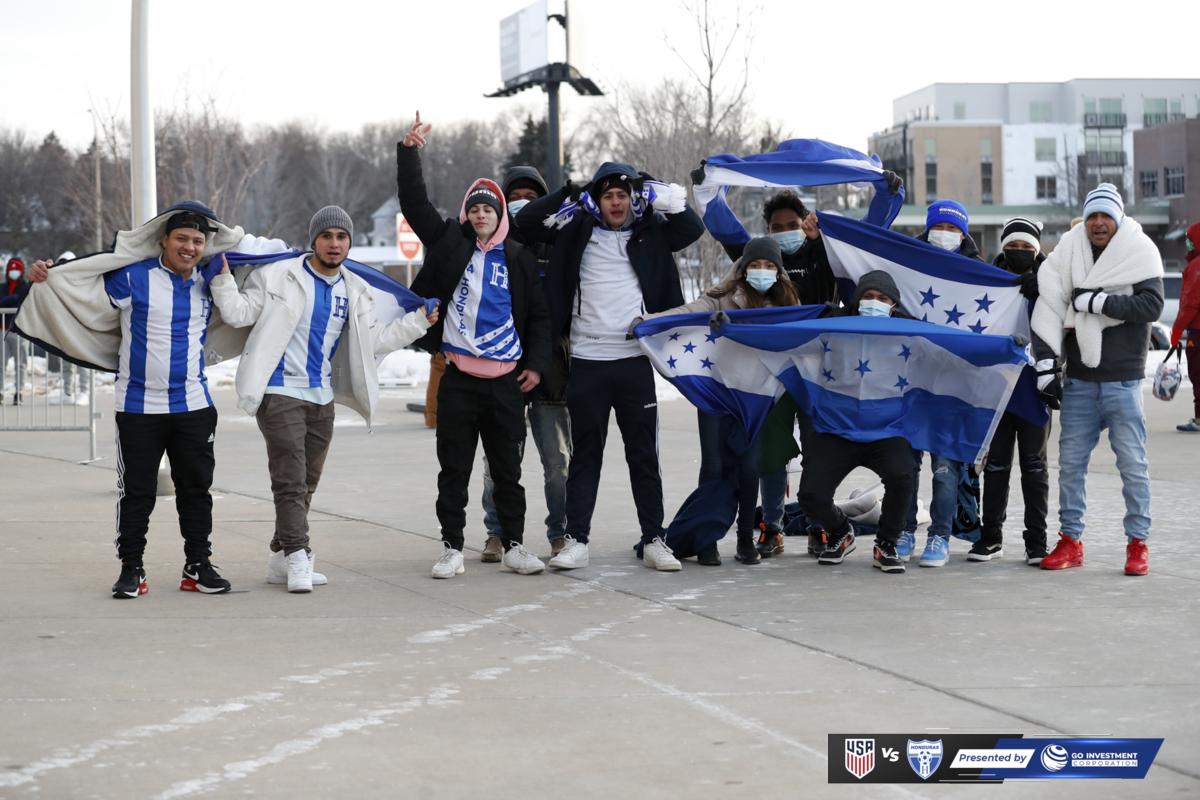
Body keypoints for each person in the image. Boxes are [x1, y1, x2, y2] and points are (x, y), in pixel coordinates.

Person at [209, 206, 437, 592]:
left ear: (349, 243)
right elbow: (237, 313)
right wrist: (223, 279)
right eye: (327, 236)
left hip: (321, 395)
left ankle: (280, 558)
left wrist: (418, 323)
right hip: (279, 391)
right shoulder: (278, 275)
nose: (334, 243)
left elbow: (374, 341)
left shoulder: (355, 290)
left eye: (342, 237)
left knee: (307, 482)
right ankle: (300, 555)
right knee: (290, 480)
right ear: (314, 240)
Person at [26, 202, 235, 598]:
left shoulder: (211, 281)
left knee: (196, 490)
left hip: (193, 405)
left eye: (196, 241)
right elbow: (79, 296)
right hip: (139, 407)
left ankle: (197, 566)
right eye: (182, 239)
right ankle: (131, 568)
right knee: (136, 492)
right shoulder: (133, 278)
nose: (189, 247)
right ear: (164, 241)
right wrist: (45, 278)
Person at [514, 157, 704, 572]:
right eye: (608, 196)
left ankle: (654, 537)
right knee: (586, 455)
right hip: (587, 360)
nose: (615, 203)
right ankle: (577, 539)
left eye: (623, 195)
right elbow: (525, 224)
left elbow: (692, 228)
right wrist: (567, 193)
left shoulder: (650, 231)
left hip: (634, 359)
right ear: (596, 201)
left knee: (643, 455)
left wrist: (656, 188)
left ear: (633, 199)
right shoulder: (575, 230)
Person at [398, 113, 551, 580]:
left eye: (490, 208)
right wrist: (410, 153)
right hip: (460, 380)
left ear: (501, 215)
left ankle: (516, 545)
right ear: (467, 213)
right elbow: (414, 202)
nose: (482, 214)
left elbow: (540, 316)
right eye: (476, 208)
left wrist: (537, 365)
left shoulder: (519, 257)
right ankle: (451, 548)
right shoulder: (448, 242)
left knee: (508, 471)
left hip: (506, 381)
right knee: (455, 470)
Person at [1031, 183, 1164, 575]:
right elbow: (1049, 306)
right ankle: (1071, 540)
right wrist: (1046, 364)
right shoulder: (1068, 254)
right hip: (1081, 381)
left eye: (1106, 216)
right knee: (1070, 465)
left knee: (1133, 465)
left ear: (1118, 219)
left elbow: (1152, 304)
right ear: (1085, 220)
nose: (1099, 223)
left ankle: (1138, 543)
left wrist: (1096, 301)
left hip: (1122, 379)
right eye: (1093, 216)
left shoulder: (1139, 251)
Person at [644, 236, 800, 566]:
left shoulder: (787, 304)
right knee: (714, 466)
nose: (761, 270)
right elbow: (687, 312)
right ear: (743, 269)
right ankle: (706, 539)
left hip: (755, 400)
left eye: (768, 265)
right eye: (755, 265)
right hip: (717, 394)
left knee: (748, 468)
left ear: (778, 271)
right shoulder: (722, 297)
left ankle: (745, 538)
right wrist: (651, 321)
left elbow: (800, 338)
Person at [479, 166, 573, 561]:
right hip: (504, 370)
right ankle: (496, 533)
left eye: (531, 197)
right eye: (514, 195)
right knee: (499, 461)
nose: (522, 203)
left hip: (552, 372)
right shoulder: (490, 249)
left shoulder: (561, 244)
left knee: (558, 463)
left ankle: (560, 533)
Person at [796, 270, 916, 574]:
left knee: (904, 478)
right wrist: (734, 329)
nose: (874, 303)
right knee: (810, 496)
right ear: (857, 299)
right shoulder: (832, 326)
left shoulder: (912, 332)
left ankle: (887, 543)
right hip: (837, 431)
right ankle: (839, 532)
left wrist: (1005, 346)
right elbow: (782, 336)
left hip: (886, 431)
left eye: (882, 299)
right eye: (868, 297)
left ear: (894, 305)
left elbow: (956, 349)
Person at [900, 199, 983, 568]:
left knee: (945, 468)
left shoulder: (981, 274)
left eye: (952, 229)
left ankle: (939, 535)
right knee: (904, 465)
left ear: (963, 233)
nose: (945, 235)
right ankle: (902, 530)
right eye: (939, 227)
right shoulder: (911, 263)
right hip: (912, 382)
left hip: (954, 386)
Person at [977, 217, 1051, 564]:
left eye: (1026, 247)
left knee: (1035, 469)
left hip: (1036, 390)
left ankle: (1036, 542)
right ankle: (991, 536)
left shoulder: (1052, 282)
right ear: (1003, 247)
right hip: (998, 389)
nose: (1019, 252)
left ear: (1036, 250)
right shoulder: (987, 283)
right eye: (1013, 246)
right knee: (996, 469)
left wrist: (1047, 290)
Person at [1171, 221, 1200, 432]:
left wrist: (1177, 331)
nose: (1188, 244)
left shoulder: (1196, 267)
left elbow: (1190, 303)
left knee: (1198, 374)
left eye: (1190, 240)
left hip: (1198, 333)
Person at [1, 257, 29, 404]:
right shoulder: (2, 287)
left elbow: (25, 302)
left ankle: (19, 392)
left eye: (16, 269)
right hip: (2, 329)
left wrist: (15, 299)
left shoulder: (25, 287)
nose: (14, 272)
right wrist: (8, 300)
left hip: (19, 330)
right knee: (1, 363)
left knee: (21, 363)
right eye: (11, 270)